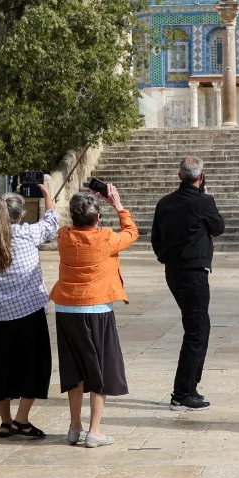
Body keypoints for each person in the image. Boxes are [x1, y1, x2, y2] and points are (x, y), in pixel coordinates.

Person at [50, 185, 136, 448]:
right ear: (97, 219)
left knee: (74, 369)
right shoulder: (106, 238)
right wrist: (118, 205)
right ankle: (94, 431)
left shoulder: (64, 236)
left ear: (73, 219)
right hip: (96, 309)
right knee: (100, 370)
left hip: (66, 310)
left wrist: (47, 196)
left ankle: (74, 427)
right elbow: (132, 233)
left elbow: (53, 216)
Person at [0, 188, 59, 440]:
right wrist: (48, 195)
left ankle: (6, 421)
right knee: (34, 368)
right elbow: (52, 223)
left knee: (0, 370)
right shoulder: (27, 233)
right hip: (28, 314)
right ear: (21, 216)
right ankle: (22, 419)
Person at [149, 155, 225, 411]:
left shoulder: (165, 203)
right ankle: (183, 392)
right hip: (194, 273)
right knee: (197, 331)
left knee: (197, 327)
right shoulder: (204, 202)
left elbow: (155, 238)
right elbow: (218, 228)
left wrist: (165, 258)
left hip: (174, 271)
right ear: (201, 177)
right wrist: (209, 198)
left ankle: (188, 388)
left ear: (180, 176)